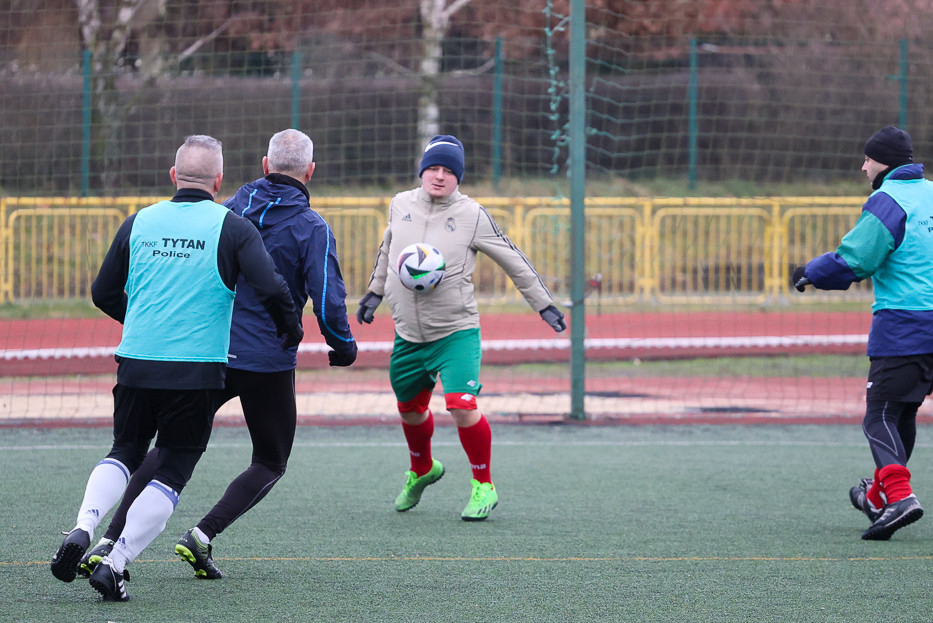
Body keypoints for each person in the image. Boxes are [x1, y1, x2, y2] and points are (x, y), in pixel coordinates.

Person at [74, 129, 357, 582]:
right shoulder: (312, 226)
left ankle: (108, 538)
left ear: (264, 165)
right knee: (270, 459)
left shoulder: (224, 213)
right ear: (310, 171)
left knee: (166, 449)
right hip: (267, 361)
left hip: (208, 352)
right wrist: (340, 345)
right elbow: (326, 297)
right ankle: (201, 536)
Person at [791, 126, 933, 541]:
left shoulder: (887, 200)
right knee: (902, 410)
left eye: (867, 159)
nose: (863, 165)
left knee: (879, 415)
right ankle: (877, 498)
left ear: (883, 162)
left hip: (907, 325)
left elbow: (856, 260)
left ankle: (900, 497)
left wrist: (808, 273)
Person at [356, 134, 566, 521]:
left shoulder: (472, 215)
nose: (439, 176)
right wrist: (373, 293)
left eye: (449, 171)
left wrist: (544, 304)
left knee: (461, 405)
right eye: (433, 168)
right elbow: (389, 249)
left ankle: (483, 486)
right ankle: (422, 470)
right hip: (408, 336)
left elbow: (513, 260)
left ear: (459, 178)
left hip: (456, 332)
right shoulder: (400, 204)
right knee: (410, 410)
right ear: (422, 171)